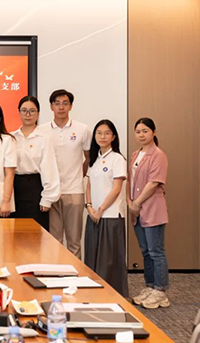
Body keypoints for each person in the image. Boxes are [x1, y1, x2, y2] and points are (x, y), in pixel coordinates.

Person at [38, 89, 91, 259]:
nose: (61, 107)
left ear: (71, 106)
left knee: (74, 240)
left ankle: (75, 272)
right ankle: (56, 272)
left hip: (74, 191)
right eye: (57, 103)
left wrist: (78, 176)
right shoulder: (41, 130)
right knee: (54, 240)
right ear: (51, 106)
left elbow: (88, 158)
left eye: (65, 103)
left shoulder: (82, 129)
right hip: (51, 191)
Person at [127, 117, 170, 309]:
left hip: (152, 208)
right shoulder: (136, 154)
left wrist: (136, 203)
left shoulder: (158, 155)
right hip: (137, 210)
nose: (141, 135)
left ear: (153, 132)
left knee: (156, 251)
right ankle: (150, 286)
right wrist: (130, 203)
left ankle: (160, 291)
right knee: (145, 251)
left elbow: (154, 183)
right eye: (138, 131)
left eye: (145, 131)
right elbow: (130, 181)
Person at [84, 120, 128, 297]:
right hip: (93, 215)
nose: (102, 136)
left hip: (110, 216)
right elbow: (88, 185)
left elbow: (116, 189)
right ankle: (93, 293)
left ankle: (112, 295)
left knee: (108, 260)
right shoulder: (94, 159)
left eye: (107, 133)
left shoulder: (117, 159)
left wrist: (101, 209)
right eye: (99, 133)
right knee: (92, 257)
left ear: (113, 137)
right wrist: (89, 207)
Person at [12, 96, 60, 230]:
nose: (28, 114)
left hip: (35, 188)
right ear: (19, 112)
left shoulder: (44, 138)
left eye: (32, 111)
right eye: (24, 110)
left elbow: (49, 168)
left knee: (36, 232)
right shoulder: (11, 137)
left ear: (38, 113)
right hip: (14, 188)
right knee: (15, 232)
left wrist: (47, 198)